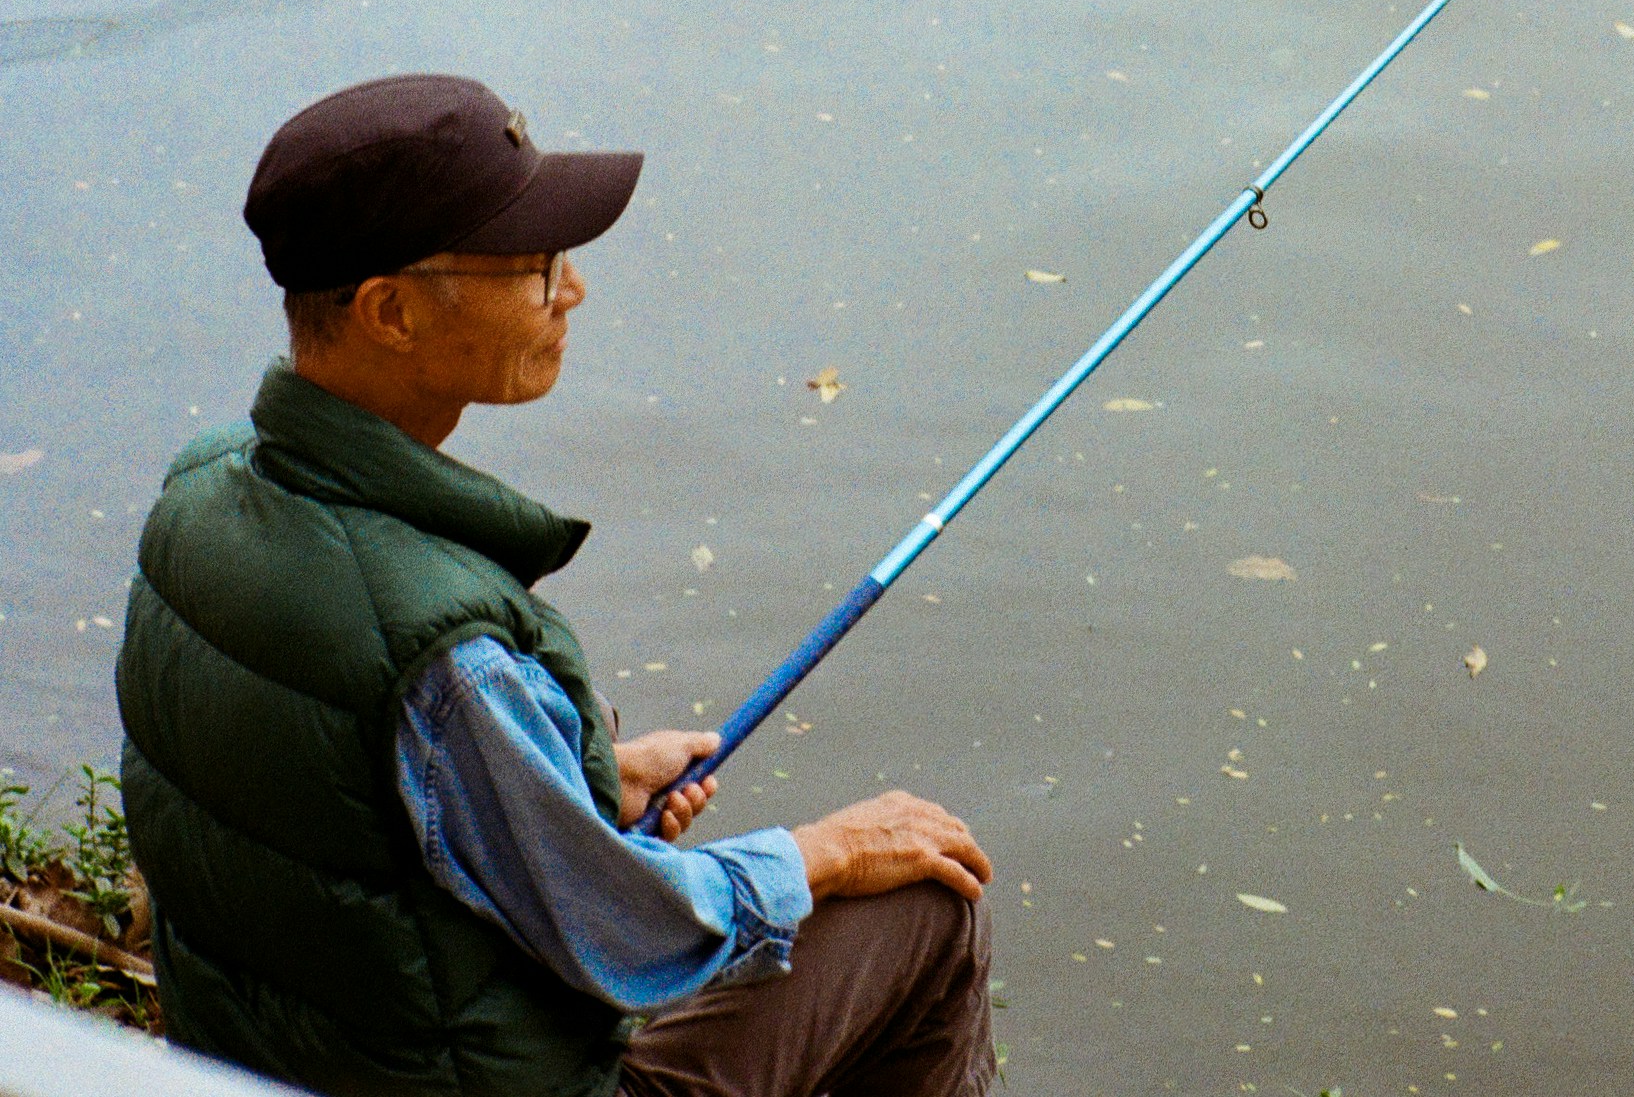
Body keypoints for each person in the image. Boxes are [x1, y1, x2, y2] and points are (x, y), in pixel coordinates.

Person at [117, 75, 996, 1097]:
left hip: (272, 1062)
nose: (570, 291)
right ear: (390, 311)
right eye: (533, 268)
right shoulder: (448, 664)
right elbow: (625, 937)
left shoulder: (202, 490)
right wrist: (822, 855)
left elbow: (334, 811)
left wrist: (572, 781)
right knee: (928, 910)